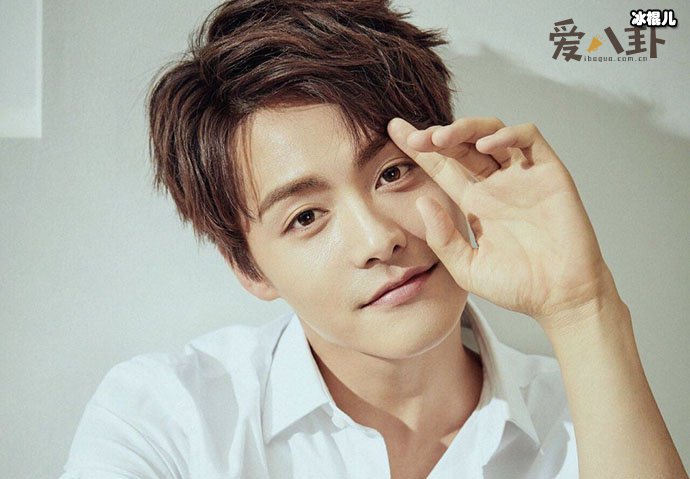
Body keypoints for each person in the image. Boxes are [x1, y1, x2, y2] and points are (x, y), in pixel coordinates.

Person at [61, 1, 687, 478]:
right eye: (306, 217)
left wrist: (584, 309)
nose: (378, 239)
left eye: (393, 173)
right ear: (250, 268)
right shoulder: (167, 419)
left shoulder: (591, 416)